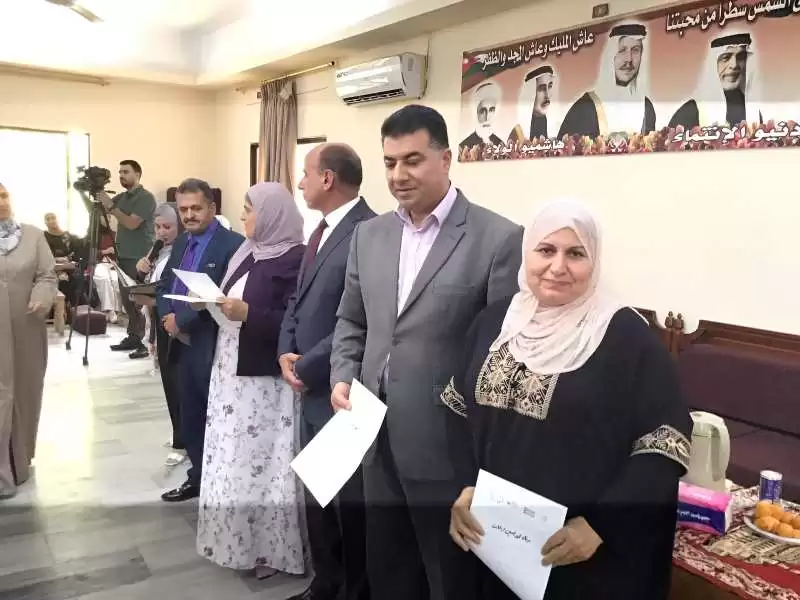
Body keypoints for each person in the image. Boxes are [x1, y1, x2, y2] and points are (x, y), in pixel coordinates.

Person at [445, 199, 692, 600]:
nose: (557, 267)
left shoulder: (626, 337)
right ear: (527, 253)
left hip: (580, 556)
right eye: (546, 250)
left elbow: (665, 444)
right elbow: (457, 410)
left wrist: (599, 525)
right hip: (495, 541)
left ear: (594, 261)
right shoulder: (495, 322)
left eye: (575, 254)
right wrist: (465, 487)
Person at [329, 104, 523, 600]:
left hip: (446, 448)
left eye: (412, 160)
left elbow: (501, 355)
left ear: (446, 159)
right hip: (373, 437)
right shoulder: (369, 235)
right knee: (389, 571)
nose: (398, 175)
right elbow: (352, 319)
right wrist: (342, 374)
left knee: (447, 577)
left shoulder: (498, 239)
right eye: (390, 162)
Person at [279, 143, 376, 600]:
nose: (300, 182)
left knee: (347, 503)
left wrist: (309, 364)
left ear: (327, 178)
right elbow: (296, 300)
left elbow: (359, 316)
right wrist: (285, 350)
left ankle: (353, 589)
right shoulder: (317, 231)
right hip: (309, 383)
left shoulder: (368, 232)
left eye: (306, 173)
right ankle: (326, 582)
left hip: (341, 385)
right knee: (316, 493)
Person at [197, 182, 306, 580]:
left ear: (273, 214)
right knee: (233, 457)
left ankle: (270, 550)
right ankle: (236, 541)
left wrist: (248, 313)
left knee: (262, 461)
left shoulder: (295, 258)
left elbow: (296, 323)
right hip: (231, 370)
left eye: (250, 208)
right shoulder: (248, 251)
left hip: (264, 381)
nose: (243, 215)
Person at [157, 178, 244, 503]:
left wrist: (181, 319)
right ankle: (197, 478)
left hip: (212, 343)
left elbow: (222, 295)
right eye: (184, 209)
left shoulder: (233, 244)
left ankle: (223, 483)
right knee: (190, 415)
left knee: (216, 416)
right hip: (180, 343)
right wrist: (167, 316)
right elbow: (166, 282)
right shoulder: (181, 243)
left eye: (196, 208)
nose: (189, 215)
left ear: (212, 207)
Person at [0, 183, 57, 499]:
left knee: (26, 391)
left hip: (27, 327)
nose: (1, 202)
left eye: (3, 195)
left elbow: (47, 275)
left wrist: (41, 296)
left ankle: (20, 461)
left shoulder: (33, 236)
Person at [133, 203, 184, 465]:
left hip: (176, 324)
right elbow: (151, 283)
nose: (162, 232)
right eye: (158, 227)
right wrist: (141, 270)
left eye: (168, 227)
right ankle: (178, 432)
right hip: (159, 322)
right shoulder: (158, 251)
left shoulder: (184, 252)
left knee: (178, 385)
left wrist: (153, 299)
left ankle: (183, 441)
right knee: (168, 382)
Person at [97, 160, 156, 357]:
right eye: (120, 172)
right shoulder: (121, 197)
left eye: (125, 172)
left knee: (141, 302)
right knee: (128, 301)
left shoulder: (146, 198)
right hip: (123, 256)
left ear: (137, 174)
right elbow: (101, 215)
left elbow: (131, 223)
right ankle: (134, 336)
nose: (121, 175)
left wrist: (110, 206)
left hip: (140, 257)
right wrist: (91, 195)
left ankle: (146, 343)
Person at [558, 23, 656, 138]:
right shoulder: (585, 108)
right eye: (622, 50)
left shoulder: (646, 108)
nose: (628, 59)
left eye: (635, 50)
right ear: (611, 56)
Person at [669, 32, 764, 130]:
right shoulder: (689, 112)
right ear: (713, 64)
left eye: (741, 57)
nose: (734, 65)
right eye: (725, 58)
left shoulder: (751, 110)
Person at [43, 212, 81, 317]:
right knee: (61, 279)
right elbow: (45, 255)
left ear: (57, 219)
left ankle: (71, 308)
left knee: (77, 278)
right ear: (45, 223)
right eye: (48, 219)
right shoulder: (44, 236)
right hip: (52, 266)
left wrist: (68, 260)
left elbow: (75, 254)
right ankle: (62, 309)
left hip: (68, 266)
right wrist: (59, 260)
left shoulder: (68, 236)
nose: (51, 220)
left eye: (53, 218)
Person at [510, 65, 558, 142]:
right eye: (541, 88)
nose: (547, 95)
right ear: (530, 93)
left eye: (550, 86)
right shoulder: (518, 133)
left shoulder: (557, 128)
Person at [459, 82, 505, 152]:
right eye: (483, 111)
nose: (487, 117)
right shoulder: (464, 147)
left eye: (491, 110)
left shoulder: (501, 145)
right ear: (476, 112)